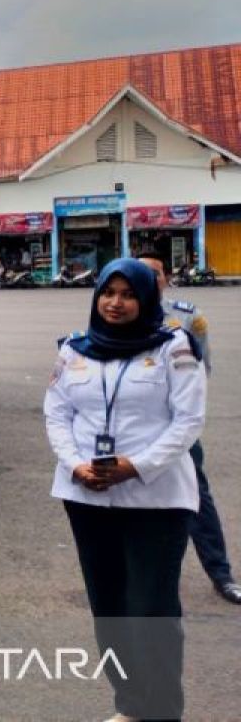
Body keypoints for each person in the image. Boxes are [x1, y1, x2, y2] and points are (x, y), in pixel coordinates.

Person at [44, 258, 206, 722]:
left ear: (146, 298)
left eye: (128, 294)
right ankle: (132, 705)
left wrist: (135, 466)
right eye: (107, 292)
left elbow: (188, 421)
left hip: (156, 499)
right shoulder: (74, 350)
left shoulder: (176, 347)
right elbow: (57, 414)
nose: (116, 303)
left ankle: (163, 712)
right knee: (109, 607)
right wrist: (75, 465)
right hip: (87, 496)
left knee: (150, 610)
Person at [137, 250, 241, 605]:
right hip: (133, 429)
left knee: (197, 498)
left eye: (156, 273)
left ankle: (221, 574)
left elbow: (201, 368)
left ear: (166, 279)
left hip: (176, 428)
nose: (149, 280)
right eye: (141, 273)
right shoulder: (114, 313)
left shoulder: (186, 316)